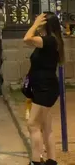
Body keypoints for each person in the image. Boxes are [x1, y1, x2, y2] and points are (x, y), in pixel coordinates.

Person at [23, 12, 64, 165]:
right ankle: (52, 161)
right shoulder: (49, 41)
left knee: (32, 124)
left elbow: (26, 38)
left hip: (45, 89)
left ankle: (35, 161)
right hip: (43, 87)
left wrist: (34, 25)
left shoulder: (49, 41)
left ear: (45, 23)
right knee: (46, 126)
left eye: (39, 19)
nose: (35, 20)